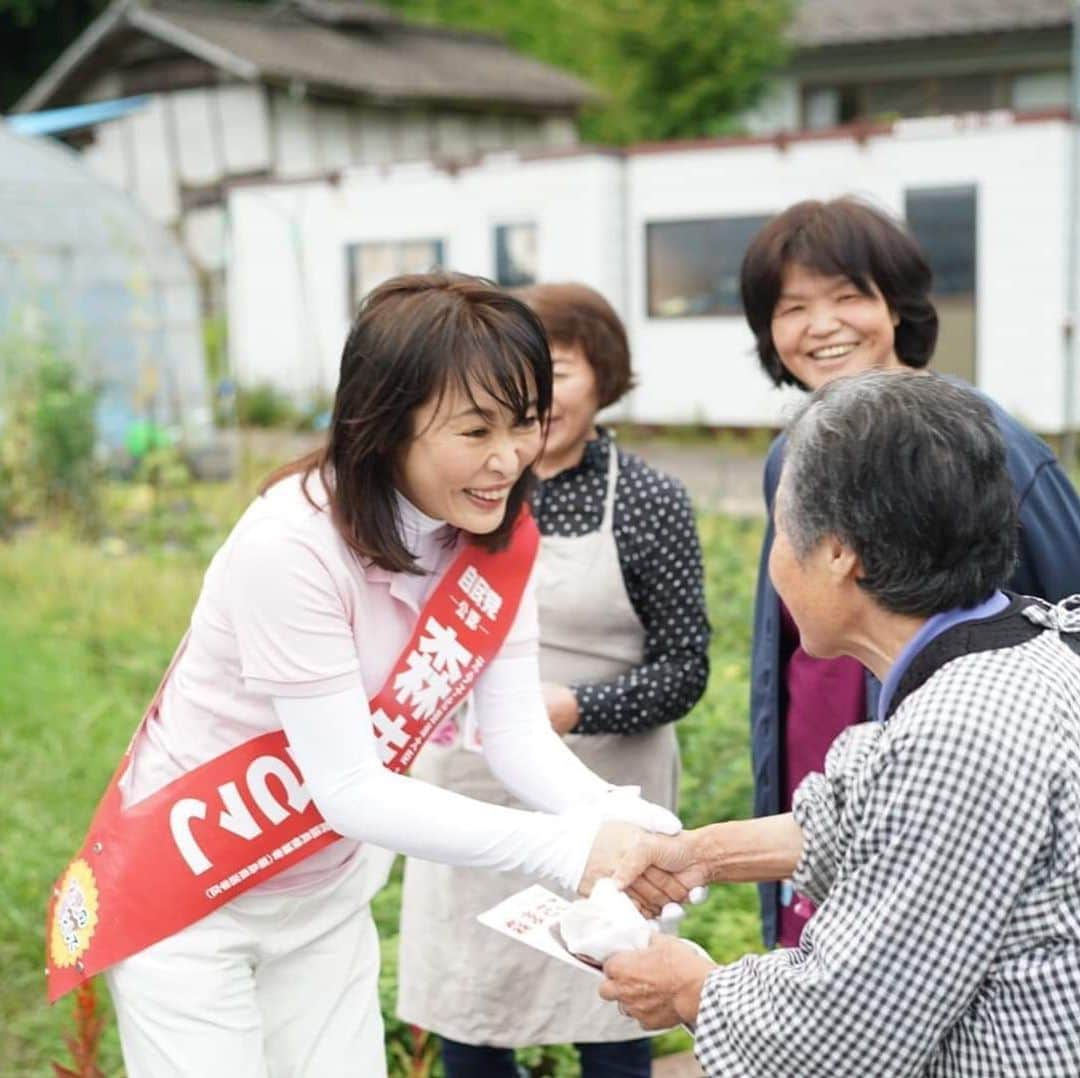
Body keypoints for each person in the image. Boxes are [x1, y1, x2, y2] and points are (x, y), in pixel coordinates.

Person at [45, 273, 691, 1078]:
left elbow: (515, 734)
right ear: (384, 425)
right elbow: (348, 786)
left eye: (523, 424)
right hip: (196, 897)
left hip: (325, 898)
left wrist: (618, 823)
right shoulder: (290, 547)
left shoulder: (495, 529)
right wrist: (569, 850)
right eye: (474, 429)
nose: (507, 458)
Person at [600, 371, 1080, 1076]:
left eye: (782, 528)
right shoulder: (1012, 647)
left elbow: (852, 1022)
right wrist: (697, 855)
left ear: (836, 552)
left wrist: (690, 989)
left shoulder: (961, 730)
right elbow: (856, 816)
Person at [739, 197, 1080, 947]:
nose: (821, 325)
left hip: (955, 794)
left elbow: (1071, 611)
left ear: (897, 305)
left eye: (848, 295)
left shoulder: (982, 438)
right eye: (792, 306)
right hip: (822, 764)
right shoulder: (787, 456)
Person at [397, 282, 711, 1077]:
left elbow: (685, 669)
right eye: (511, 384)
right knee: (472, 1015)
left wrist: (572, 708)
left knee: (613, 1011)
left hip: (601, 792)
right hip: (465, 793)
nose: (535, 403)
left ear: (605, 376)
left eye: (558, 372)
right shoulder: (454, 493)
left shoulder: (646, 500)